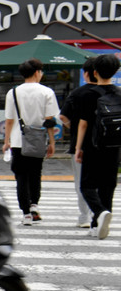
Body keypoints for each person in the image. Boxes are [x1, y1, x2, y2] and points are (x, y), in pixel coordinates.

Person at [2, 58, 60, 226]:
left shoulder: (12, 92)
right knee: (35, 173)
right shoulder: (46, 92)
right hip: (38, 140)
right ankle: (34, 204)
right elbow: (50, 120)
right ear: (36, 72)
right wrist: (52, 142)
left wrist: (6, 141)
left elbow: (9, 120)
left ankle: (26, 213)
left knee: (21, 176)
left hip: (18, 141)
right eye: (41, 71)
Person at [74, 54, 120, 240]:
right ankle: (97, 226)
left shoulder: (87, 94)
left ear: (94, 72)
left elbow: (83, 124)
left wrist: (78, 147)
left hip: (93, 146)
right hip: (114, 146)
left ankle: (99, 213)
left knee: (87, 186)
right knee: (107, 186)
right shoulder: (119, 93)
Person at [59, 57, 96, 228]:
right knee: (102, 182)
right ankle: (100, 214)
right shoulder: (113, 92)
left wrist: (72, 127)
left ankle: (84, 218)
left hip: (80, 144)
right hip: (106, 145)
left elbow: (63, 116)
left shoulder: (77, 93)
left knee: (81, 181)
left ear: (86, 73)